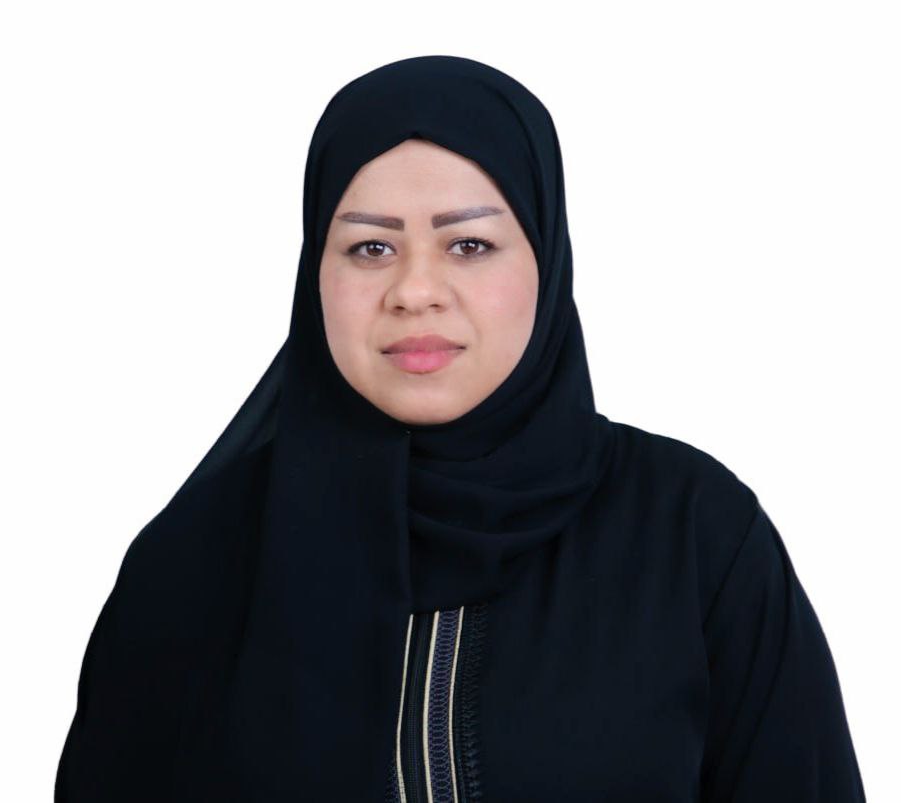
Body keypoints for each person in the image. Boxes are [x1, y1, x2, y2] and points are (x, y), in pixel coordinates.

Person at [55, 55, 866, 802]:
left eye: (469, 244)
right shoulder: (192, 564)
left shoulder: (693, 536)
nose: (415, 290)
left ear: (545, 256)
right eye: (370, 247)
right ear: (314, 274)